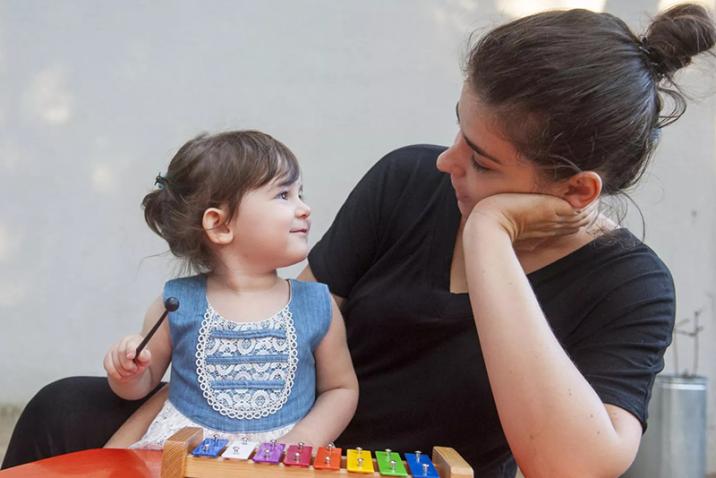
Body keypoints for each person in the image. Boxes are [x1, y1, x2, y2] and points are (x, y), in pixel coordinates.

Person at [3, 4, 714, 477]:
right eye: (457, 131)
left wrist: (493, 236)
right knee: (67, 407)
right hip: (290, 442)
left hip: (417, 469)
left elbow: (573, 462)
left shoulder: (630, 284)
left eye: (483, 161)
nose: (447, 162)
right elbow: (286, 330)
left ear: (577, 191)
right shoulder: (411, 180)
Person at [101, 130, 358, 449]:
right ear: (221, 225)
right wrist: (126, 374)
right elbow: (143, 385)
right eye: (283, 195)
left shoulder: (317, 305)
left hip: (281, 462)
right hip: (185, 457)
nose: (304, 208)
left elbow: (341, 389)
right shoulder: (177, 303)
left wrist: (303, 440)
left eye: (300, 193)